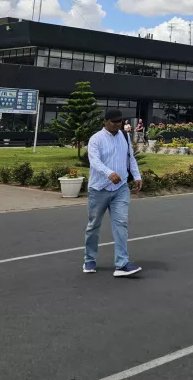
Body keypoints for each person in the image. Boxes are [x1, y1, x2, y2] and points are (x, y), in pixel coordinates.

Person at [83, 109, 143, 277]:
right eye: (114, 122)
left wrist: (137, 176)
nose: (118, 124)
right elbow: (94, 161)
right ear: (105, 121)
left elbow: (130, 158)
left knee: (121, 224)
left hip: (121, 188)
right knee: (93, 225)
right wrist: (108, 173)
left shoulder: (125, 137)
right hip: (99, 189)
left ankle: (122, 264)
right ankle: (89, 259)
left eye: (120, 121)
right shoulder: (96, 139)